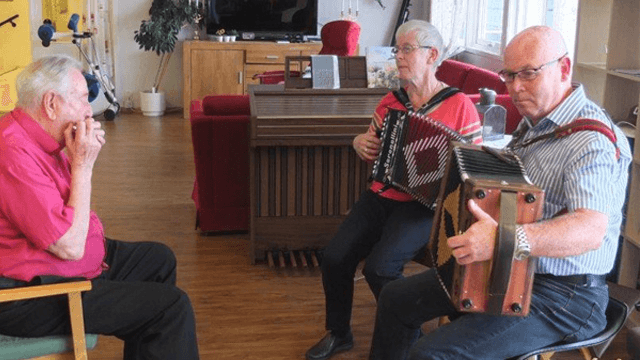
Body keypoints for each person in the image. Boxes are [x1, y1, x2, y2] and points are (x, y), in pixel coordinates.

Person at [368, 25, 632, 360]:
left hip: (565, 295)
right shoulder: (535, 122)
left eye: (529, 74)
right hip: (510, 268)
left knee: (432, 353)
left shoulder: (591, 141)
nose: (516, 88)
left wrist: (501, 240)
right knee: (394, 298)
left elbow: (590, 229)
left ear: (563, 69)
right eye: (508, 75)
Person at [0, 55, 199, 360]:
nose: (88, 111)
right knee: (170, 308)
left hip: (55, 264)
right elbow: (70, 246)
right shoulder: (13, 151)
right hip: (30, 294)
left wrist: (78, 159)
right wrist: (83, 166)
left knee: (158, 261)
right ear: (51, 103)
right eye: (82, 99)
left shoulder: (38, 137)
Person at [306, 20, 482, 360]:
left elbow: (473, 169)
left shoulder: (459, 106)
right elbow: (369, 140)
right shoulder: (391, 101)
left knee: (380, 268)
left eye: (406, 50)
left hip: (425, 205)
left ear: (431, 55)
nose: (397, 57)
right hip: (381, 194)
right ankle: (339, 332)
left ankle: (408, 331)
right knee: (334, 257)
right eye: (396, 50)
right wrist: (358, 141)